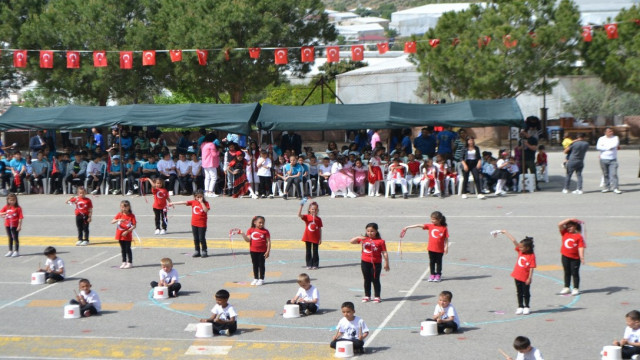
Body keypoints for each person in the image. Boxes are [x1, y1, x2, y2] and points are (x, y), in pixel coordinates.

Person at [496, 230, 536, 315]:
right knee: (519, 292)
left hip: (525, 277)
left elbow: (532, 267)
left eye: (521, 247)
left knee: (526, 292)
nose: (519, 248)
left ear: (527, 248)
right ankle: (520, 306)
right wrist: (505, 232)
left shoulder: (531, 256)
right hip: (517, 275)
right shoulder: (520, 252)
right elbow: (514, 240)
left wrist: (529, 278)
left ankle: (527, 306)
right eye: (520, 247)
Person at [402, 211, 449, 282]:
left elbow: (446, 238)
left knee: (439, 262)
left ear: (439, 220)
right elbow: (418, 225)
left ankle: (438, 275)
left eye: (434, 219)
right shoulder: (430, 226)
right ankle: (432, 274)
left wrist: (446, 247)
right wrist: (407, 227)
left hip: (439, 249)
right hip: (431, 248)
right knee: (432, 262)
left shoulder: (444, 228)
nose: (432, 221)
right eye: (431, 219)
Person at [350, 223, 390, 303]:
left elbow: (384, 252)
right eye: (368, 231)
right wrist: (358, 237)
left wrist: (386, 263)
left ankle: (377, 296)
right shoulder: (364, 239)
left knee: (375, 279)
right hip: (365, 262)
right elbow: (351, 241)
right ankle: (367, 295)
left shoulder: (380, 241)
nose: (370, 233)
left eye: (372, 231)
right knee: (366, 279)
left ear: (376, 231)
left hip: (376, 263)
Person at [170, 190, 210, 258]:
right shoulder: (193, 202)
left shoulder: (206, 203)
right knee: (196, 238)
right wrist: (173, 203)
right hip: (194, 223)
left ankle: (204, 250)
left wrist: (202, 203)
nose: (199, 198)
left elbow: (206, 210)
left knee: (201, 238)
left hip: (202, 224)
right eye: (198, 197)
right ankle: (197, 251)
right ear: (194, 197)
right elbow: (183, 202)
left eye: (201, 197)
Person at [238, 216, 271, 286]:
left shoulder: (265, 231)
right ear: (255, 222)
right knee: (255, 264)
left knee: (261, 265)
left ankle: (261, 279)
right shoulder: (251, 230)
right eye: (260, 223)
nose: (261, 224)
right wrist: (243, 234)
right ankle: (256, 278)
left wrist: (268, 251)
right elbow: (248, 240)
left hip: (262, 251)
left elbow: (268, 242)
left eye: (263, 223)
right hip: (253, 251)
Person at [557, 218, 585, 296]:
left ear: (575, 226)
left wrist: (582, 257)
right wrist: (570, 219)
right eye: (567, 227)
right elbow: (559, 224)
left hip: (575, 258)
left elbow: (580, 247)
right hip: (565, 256)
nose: (569, 228)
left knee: (575, 273)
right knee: (567, 272)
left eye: (571, 226)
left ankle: (576, 288)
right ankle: (566, 287)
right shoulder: (565, 233)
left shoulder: (579, 236)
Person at [111, 200, 137, 269]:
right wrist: (118, 220)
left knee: (128, 248)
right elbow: (112, 221)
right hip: (120, 234)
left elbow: (134, 225)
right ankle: (124, 261)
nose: (124, 209)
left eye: (125, 207)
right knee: (122, 249)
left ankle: (130, 262)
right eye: (122, 207)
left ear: (129, 207)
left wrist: (127, 231)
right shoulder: (119, 214)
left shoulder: (131, 216)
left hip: (127, 235)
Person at [597, 127, 622, 194]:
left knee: (614, 174)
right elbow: (598, 147)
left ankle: (616, 188)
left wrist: (604, 147)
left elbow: (614, 145)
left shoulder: (615, 138)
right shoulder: (601, 139)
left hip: (613, 159)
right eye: (609, 131)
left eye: (611, 131)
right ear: (605, 132)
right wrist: (607, 148)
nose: (611, 132)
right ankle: (607, 187)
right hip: (603, 159)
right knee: (605, 174)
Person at [298, 200, 323, 269]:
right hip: (308, 237)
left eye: (315, 209)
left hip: (315, 237)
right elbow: (299, 215)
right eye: (312, 209)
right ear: (309, 210)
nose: (313, 211)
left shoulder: (318, 219)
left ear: (317, 210)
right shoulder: (307, 217)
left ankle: (315, 264)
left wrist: (320, 238)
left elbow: (320, 229)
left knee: (315, 251)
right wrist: (301, 206)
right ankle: (309, 264)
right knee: (308, 251)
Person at [201, 133, 220, 198]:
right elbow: (214, 155)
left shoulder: (203, 144)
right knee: (214, 177)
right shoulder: (211, 144)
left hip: (204, 163)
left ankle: (206, 191)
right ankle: (210, 191)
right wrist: (218, 152)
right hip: (211, 163)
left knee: (207, 177)